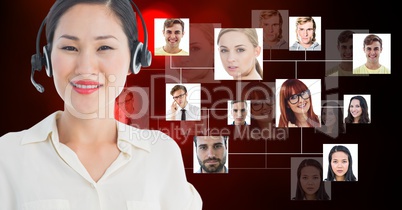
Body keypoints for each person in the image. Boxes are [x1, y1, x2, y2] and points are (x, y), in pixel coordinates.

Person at [0, 1, 202, 209]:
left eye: (104, 47)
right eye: (69, 47)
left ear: (135, 58)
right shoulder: (8, 157)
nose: (85, 67)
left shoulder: (161, 155)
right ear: (47, 60)